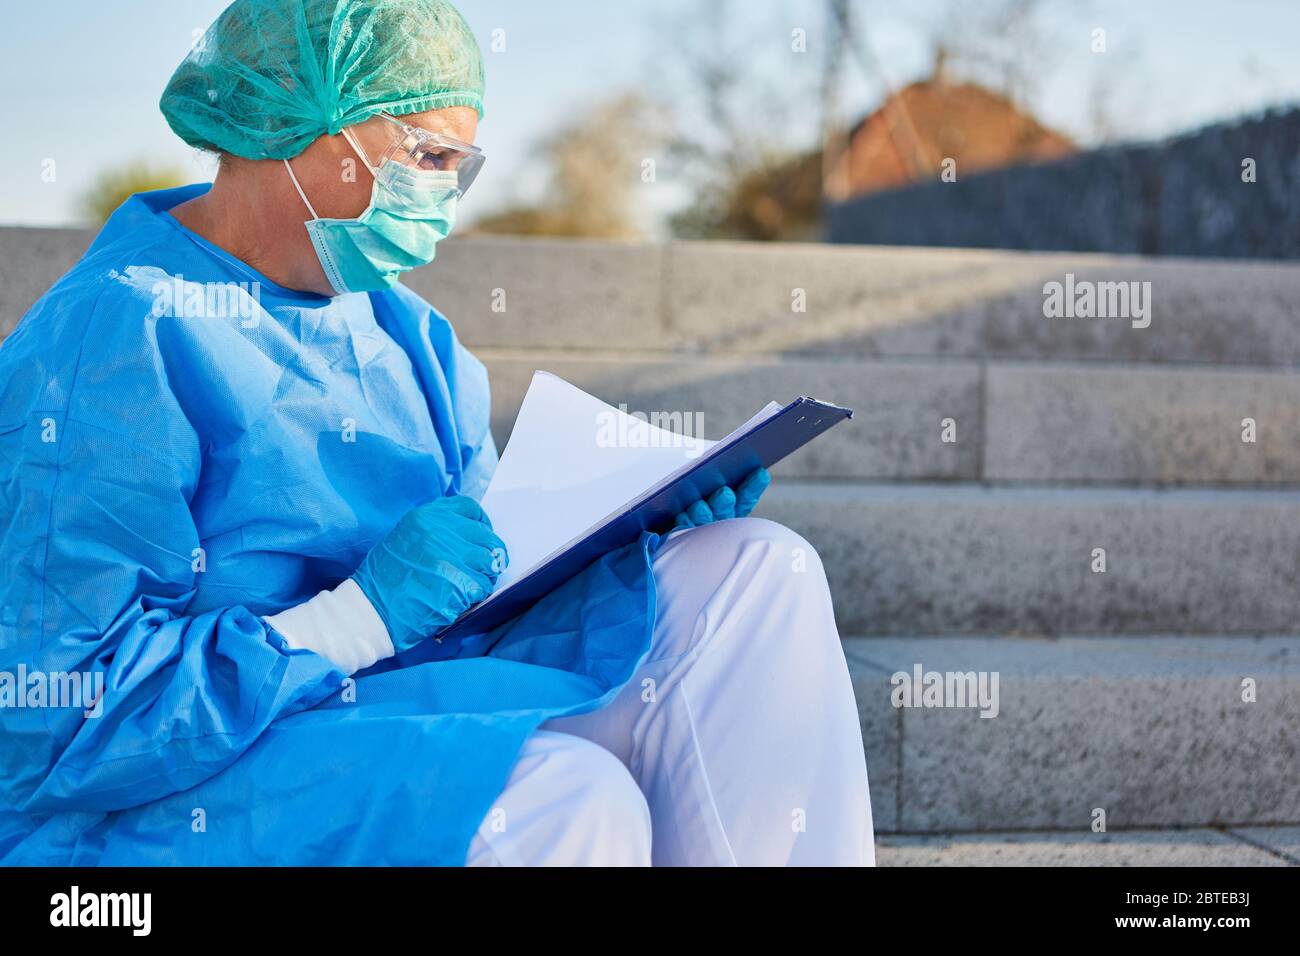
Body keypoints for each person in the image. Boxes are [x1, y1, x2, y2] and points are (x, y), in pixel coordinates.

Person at [0, 0, 872, 866]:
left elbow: (487, 580)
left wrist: (632, 536)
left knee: (755, 572)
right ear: (306, 123)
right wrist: (354, 621)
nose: (445, 203)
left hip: (409, 696)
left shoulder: (403, 330)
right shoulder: (112, 336)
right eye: (428, 156)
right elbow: (59, 719)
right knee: (565, 799)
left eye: (461, 166)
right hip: (194, 783)